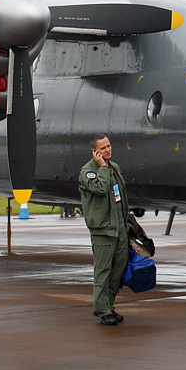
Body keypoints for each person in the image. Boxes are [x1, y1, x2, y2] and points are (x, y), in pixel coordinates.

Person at [78, 134, 129, 326]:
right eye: (102, 148)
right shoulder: (88, 172)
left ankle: (108, 305)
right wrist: (103, 169)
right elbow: (100, 189)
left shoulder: (113, 168)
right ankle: (101, 309)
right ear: (94, 152)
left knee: (118, 269)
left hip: (119, 229)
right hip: (103, 231)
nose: (107, 150)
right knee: (103, 271)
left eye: (108, 146)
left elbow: (120, 197)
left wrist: (127, 223)